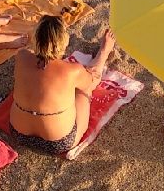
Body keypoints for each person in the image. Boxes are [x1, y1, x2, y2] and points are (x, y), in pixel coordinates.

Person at [10, 18, 116, 156]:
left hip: (18, 133)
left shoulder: (21, 56)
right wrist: (104, 51)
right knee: (83, 91)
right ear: (65, 41)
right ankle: (104, 51)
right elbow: (94, 80)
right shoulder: (72, 71)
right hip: (58, 143)